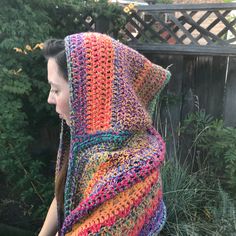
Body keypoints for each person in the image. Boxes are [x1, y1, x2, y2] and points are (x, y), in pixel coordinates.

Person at [38, 32, 171, 236]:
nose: (50, 99)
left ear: (86, 96)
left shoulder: (133, 176)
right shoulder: (89, 151)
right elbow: (64, 195)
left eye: (56, 90)